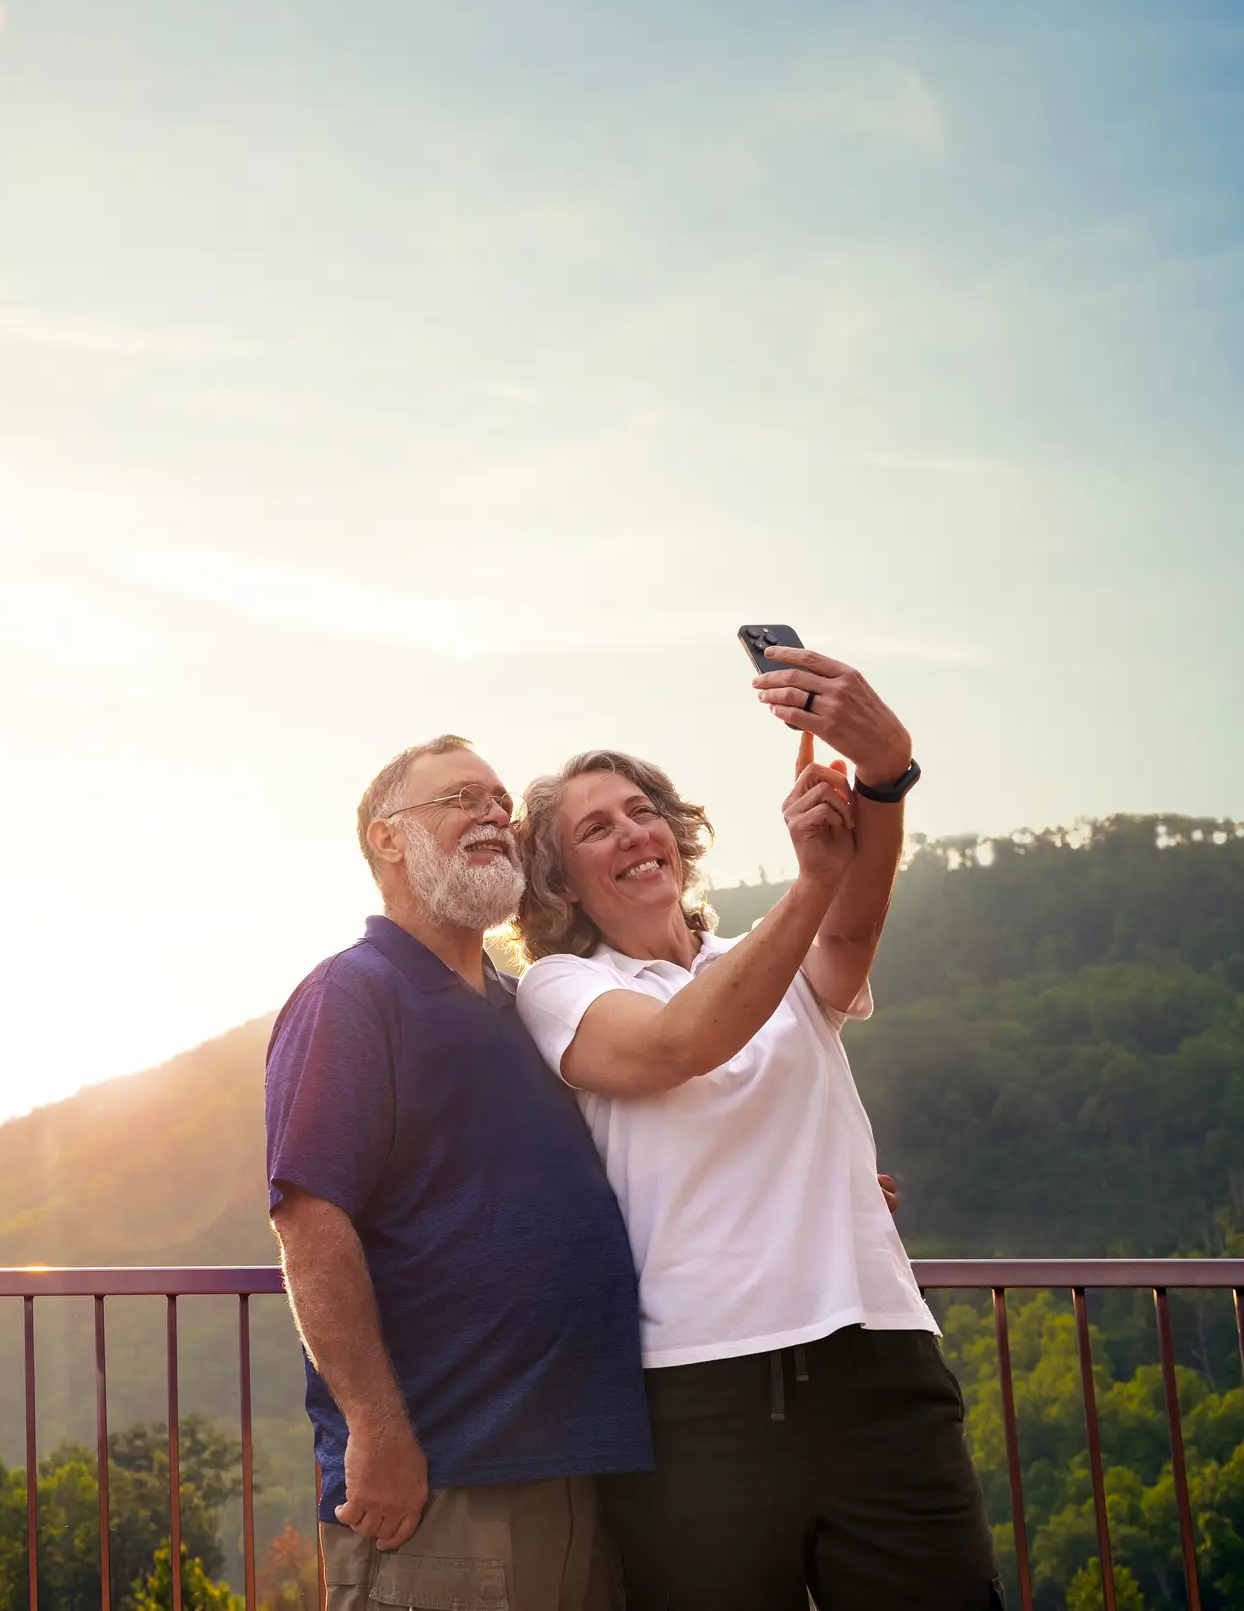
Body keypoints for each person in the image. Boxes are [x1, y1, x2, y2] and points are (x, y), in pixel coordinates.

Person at [509, 645, 1000, 1610]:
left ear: (680, 835)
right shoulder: (562, 985)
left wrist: (884, 774)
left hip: (880, 1367)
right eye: (595, 828)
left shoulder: (762, 959)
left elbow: (848, 940)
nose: (632, 832)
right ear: (562, 882)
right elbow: (676, 1045)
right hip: (697, 1403)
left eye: (644, 809)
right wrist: (812, 882)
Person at [264, 734, 653, 1611]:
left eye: (498, 801)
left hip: (584, 1469)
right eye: (460, 799)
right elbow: (309, 1219)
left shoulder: (531, 1006)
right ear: (386, 838)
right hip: (443, 1476)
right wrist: (375, 1428)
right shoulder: (353, 993)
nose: (492, 814)